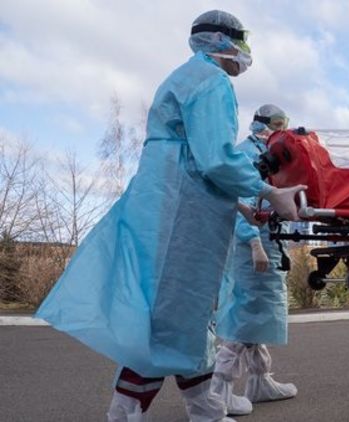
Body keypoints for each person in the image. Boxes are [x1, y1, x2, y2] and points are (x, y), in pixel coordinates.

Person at [35, 10, 305, 422]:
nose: (245, 52)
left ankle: (204, 407)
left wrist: (241, 206)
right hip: (185, 215)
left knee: (184, 316)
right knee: (172, 315)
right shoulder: (212, 82)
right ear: (222, 41)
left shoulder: (184, 77)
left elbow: (194, 158)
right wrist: (269, 193)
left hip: (167, 204)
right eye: (241, 41)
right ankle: (127, 410)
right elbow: (215, 159)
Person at [211, 104, 298, 413]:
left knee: (258, 314)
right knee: (246, 316)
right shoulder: (249, 155)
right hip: (253, 244)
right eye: (276, 122)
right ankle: (219, 389)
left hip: (268, 240)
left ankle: (260, 381)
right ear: (259, 123)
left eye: (284, 122)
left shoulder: (268, 154)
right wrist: (254, 243)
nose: (281, 128)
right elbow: (239, 201)